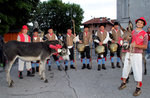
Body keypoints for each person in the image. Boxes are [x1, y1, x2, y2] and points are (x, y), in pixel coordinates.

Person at [118, 17, 148, 96]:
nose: (139, 23)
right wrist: (122, 42)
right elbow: (124, 38)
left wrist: (137, 45)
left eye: (141, 23)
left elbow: (145, 46)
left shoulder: (144, 34)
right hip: (129, 52)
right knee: (126, 68)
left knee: (137, 70)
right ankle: (124, 82)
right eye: (138, 22)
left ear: (143, 25)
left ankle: (138, 88)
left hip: (137, 53)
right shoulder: (132, 31)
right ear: (136, 23)